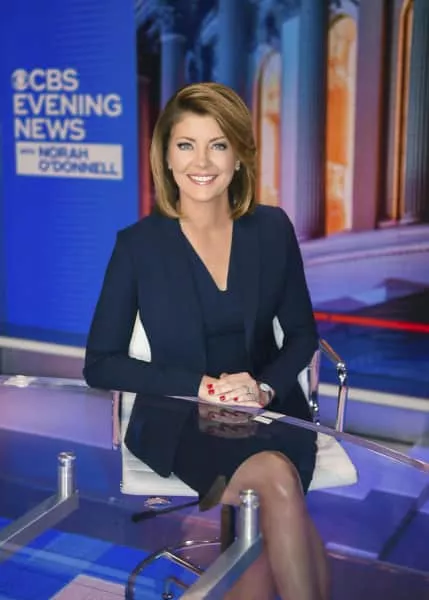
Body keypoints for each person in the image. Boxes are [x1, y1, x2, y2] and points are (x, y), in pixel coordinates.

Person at [84, 82, 329, 600]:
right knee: (278, 484)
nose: (201, 161)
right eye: (186, 144)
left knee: (273, 505)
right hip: (181, 419)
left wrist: (263, 387)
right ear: (166, 157)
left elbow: (302, 334)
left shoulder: (272, 229)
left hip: (272, 409)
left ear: (239, 157)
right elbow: (100, 363)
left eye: (218, 144)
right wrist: (200, 385)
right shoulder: (138, 246)